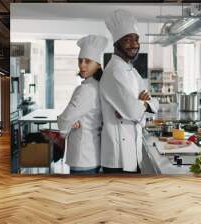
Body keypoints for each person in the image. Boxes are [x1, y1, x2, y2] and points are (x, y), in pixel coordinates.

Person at [100, 9, 159, 173]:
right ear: (116, 44)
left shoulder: (132, 71)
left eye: (136, 39)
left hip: (132, 151)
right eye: (127, 40)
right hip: (117, 156)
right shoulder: (113, 72)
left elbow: (155, 104)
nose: (134, 44)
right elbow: (133, 112)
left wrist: (139, 105)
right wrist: (139, 106)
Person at [57, 35, 108, 174]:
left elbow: (64, 119)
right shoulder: (98, 86)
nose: (82, 65)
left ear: (98, 64)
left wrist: (65, 129)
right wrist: (71, 122)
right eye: (80, 61)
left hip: (82, 156)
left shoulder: (86, 90)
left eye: (88, 61)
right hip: (92, 154)